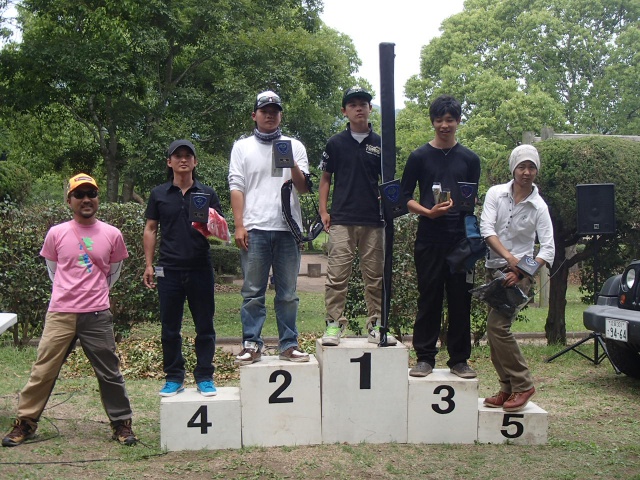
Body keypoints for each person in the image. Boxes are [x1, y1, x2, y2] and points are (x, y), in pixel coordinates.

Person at [2, 174, 137, 447]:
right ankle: (25, 423)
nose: (86, 199)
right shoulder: (56, 233)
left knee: (110, 372)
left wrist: (93, 293)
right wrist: (70, 292)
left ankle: (121, 424)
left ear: (98, 199)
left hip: (97, 313)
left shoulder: (112, 234)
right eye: (79, 195)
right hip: (61, 313)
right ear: (69, 200)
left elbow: (114, 273)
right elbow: (53, 270)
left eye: (91, 194)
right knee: (43, 370)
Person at [400, 94, 481, 378]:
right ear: (432, 121)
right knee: (429, 297)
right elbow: (403, 197)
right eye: (439, 120)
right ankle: (424, 357)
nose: (444, 125)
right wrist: (427, 212)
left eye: (450, 120)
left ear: (458, 122)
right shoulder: (419, 157)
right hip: (429, 236)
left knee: (461, 299)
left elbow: (471, 200)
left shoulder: (470, 159)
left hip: (460, 239)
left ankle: (459, 360)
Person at [228, 90, 310, 365]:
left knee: (287, 293)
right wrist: (239, 225)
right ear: (255, 115)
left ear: (280, 115)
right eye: (265, 111)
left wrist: (291, 164)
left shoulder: (293, 145)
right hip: (255, 228)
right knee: (252, 291)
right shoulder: (242, 147)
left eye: (275, 111)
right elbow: (236, 186)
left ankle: (289, 344)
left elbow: (304, 187)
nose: (270, 115)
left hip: (288, 229)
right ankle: (251, 343)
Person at [318, 86, 397, 346]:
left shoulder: (381, 143)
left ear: (370, 108)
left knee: (374, 277)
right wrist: (323, 210)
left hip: (374, 220)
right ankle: (333, 325)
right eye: (353, 104)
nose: (359, 108)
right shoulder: (335, 143)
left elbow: (389, 182)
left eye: (363, 103)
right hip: (341, 218)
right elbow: (326, 178)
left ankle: (376, 325)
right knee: (337, 276)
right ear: (345, 111)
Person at [143, 140, 222, 397]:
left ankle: (205, 376)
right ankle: (174, 377)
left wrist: (211, 223)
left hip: (200, 267)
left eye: (188, 156)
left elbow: (220, 232)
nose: (183, 160)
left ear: (195, 162)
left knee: (205, 326)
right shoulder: (159, 194)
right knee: (169, 327)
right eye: (178, 156)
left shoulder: (207, 193)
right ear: (169, 162)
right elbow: (151, 229)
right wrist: (148, 264)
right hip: (169, 269)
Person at [480, 144, 554, 411]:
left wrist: (521, 269)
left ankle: (523, 385)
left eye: (531, 167)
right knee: (494, 331)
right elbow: (486, 228)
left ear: (536, 171)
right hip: (496, 270)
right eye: (522, 166)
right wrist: (508, 259)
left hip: (519, 275)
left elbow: (548, 248)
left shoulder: (539, 206)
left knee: (498, 327)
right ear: (513, 168)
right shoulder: (496, 194)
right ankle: (506, 388)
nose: (526, 172)